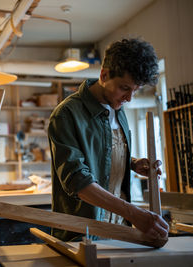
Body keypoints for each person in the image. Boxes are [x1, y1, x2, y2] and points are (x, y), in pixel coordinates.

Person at [48, 38, 169, 242]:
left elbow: (103, 152)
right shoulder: (66, 115)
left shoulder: (118, 109)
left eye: (135, 90)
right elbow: (79, 182)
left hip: (120, 230)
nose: (129, 98)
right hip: (84, 235)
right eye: (124, 88)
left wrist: (132, 163)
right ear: (104, 75)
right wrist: (135, 213)